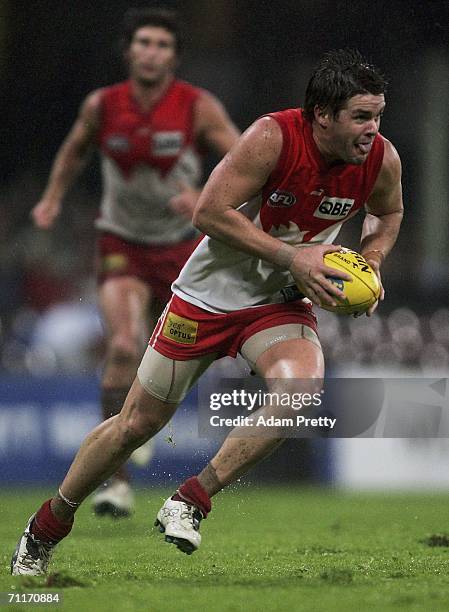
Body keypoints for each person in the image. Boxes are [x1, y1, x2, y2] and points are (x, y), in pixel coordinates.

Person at [12, 48, 403, 574]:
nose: (371, 130)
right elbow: (208, 213)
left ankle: (192, 498)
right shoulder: (273, 138)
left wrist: (373, 262)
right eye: (360, 116)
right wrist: (294, 255)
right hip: (207, 296)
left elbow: (389, 209)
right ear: (322, 115)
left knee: (300, 393)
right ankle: (45, 528)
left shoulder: (381, 159)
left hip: (279, 299)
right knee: (135, 426)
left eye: (377, 116)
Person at [30, 8, 240, 518]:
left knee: (192, 356)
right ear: (129, 50)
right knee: (122, 346)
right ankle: (116, 482)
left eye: (163, 45)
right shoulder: (103, 105)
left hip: (183, 247)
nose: (151, 52)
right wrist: (53, 197)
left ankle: (140, 419)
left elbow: (244, 160)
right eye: (143, 42)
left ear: (174, 56)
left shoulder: (196, 105)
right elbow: (75, 150)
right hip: (121, 241)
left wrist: (202, 195)